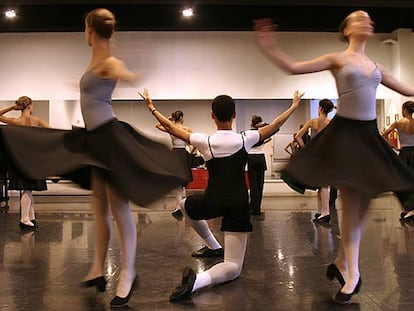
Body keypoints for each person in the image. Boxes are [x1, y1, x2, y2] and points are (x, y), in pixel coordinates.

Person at [255, 10, 414, 304]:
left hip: (367, 135)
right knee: (352, 202)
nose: (366, 20)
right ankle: (352, 271)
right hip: (345, 135)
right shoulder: (338, 59)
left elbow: (408, 89)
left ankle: (343, 263)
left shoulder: (376, 66)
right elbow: (293, 66)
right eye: (358, 17)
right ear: (346, 29)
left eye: (368, 17)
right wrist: (269, 46)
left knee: (361, 202)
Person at [139, 88, 304, 302]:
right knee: (233, 266)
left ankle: (213, 245)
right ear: (234, 115)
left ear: (212, 116)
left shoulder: (205, 141)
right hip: (238, 204)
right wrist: (293, 105)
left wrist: (151, 107)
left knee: (184, 205)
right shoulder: (246, 138)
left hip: (212, 202)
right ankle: (198, 280)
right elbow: (275, 126)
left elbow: (171, 128)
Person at [0, 96, 49, 230]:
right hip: (33, 159)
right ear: (30, 106)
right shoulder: (36, 120)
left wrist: (11, 108)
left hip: (20, 159)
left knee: (28, 189)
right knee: (27, 188)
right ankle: (24, 219)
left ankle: (31, 217)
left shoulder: (16, 121)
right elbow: (50, 131)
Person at [294, 99, 335, 225]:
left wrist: (306, 149)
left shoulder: (313, 122)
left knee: (322, 184)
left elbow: (298, 136)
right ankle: (321, 211)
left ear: (321, 108)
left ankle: (326, 212)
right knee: (322, 185)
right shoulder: (330, 123)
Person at [156, 110, 194, 221]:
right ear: (181, 117)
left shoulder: (171, 128)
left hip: (175, 154)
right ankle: (181, 207)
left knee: (178, 183)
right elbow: (194, 142)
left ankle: (180, 207)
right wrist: (191, 152)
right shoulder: (187, 129)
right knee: (183, 182)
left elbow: (157, 125)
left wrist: (169, 120)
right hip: (183, 154)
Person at [381, 100, 414, 222]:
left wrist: (394, 147)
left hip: (404, 153)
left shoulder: (399, 123)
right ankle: (409, 209)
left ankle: (409, 209)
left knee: (402, 182)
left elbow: (384, 134)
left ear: (405, 110)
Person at [247, 115, 271, 216]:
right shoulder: (262, 133)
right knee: (260, 185)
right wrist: (264, 125)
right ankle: (258, 208)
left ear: (251, 123)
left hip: (251, 158)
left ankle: (253, 207)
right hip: (261, 158)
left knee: (253, 185)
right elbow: (274, 128)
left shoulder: (248, 133)